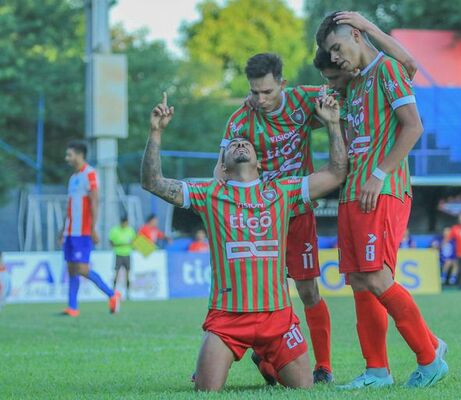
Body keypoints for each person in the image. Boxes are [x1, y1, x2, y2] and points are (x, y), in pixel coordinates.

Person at [141, 92, 346, 391]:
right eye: (234, 144)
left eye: (246, 143)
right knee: (206, 392)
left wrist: (332, 125)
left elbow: (336, 172)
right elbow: (152, 182)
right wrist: (156, 132)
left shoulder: (282, 191)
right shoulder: (209, 194)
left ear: (260, 163)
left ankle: (264, 358)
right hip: (227, 319)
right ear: (222, 166)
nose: (239, 143)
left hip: (278, 318)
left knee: (303, 390)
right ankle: (259, 355)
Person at [316, 12, 448, 389]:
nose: (336, 57)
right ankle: (377, 370)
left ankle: (429, 356)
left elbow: (414, 125)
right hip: (354, 191)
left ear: (357, 36)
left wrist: (380, 173)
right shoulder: (354, 85)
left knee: (376, 276)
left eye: (337, 48)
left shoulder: (387, 69)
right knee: (359, 280)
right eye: (330, 53)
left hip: (381, 190)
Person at [212, 53, 334, 384]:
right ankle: (258, 359)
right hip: (258, 219)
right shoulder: (240, 119)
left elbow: (346, 102)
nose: (260, 99)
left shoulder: (306, 100)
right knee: (255, 294)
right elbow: (219, 172)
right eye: (254, 92)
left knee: (308, 291)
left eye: (267, 91)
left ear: (282, 83)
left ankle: (322, 367)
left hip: (296, 212)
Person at [61, 140, 121, 317]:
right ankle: (72, 307)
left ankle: (112, 294)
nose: (67, 158)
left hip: (83, 231)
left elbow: (95, 201)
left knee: (82, 269)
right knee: (71, 269)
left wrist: (93, 228)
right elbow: (70, 206)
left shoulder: (90, 174)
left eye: (69, 155)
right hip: (70, 231)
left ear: (80, 155)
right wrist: (62, 230)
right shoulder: (73, 178)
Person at [109, 216, 137, 298]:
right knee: (116, 274)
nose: (126, 224)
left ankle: (128, 293)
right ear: (122, 222)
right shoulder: (114, 230)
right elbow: (111, 243)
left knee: (128, 275)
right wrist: (121, 245)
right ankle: (112, 293)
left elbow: (134, 242)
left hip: (127, 255)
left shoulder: (130, 230)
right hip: (118, 254)